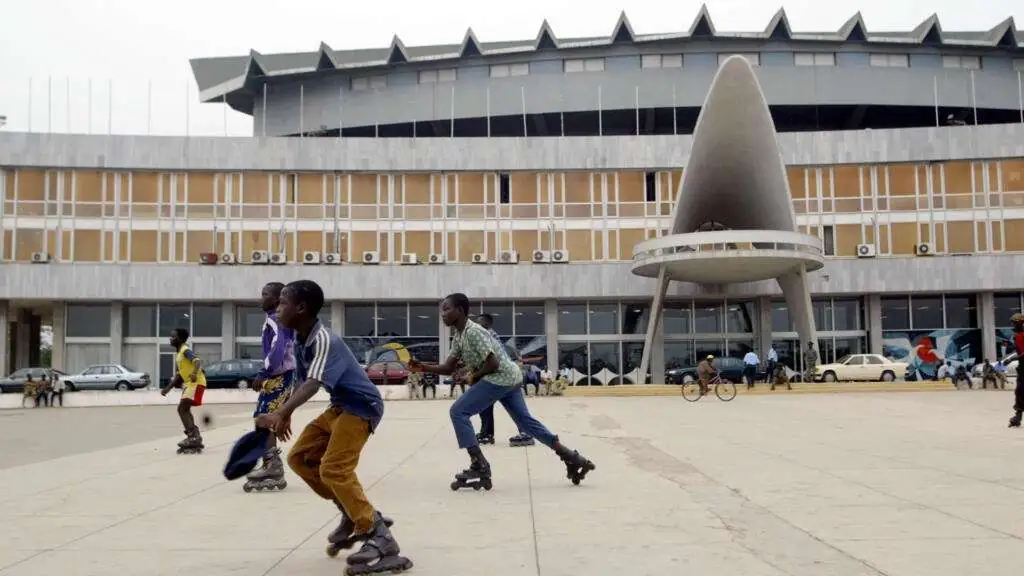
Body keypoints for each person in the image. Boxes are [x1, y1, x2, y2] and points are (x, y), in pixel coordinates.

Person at [254, 280, 411, 573]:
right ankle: (351, 514)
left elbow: (314, 384)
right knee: (299, 458)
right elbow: (302, 381)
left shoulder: (324, 339)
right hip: (340, 406)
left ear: (300, 308)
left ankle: (380, 535)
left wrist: (280, 412)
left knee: (334, 469)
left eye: (282, 302)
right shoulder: (299, 340)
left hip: (362, 406)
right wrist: (285, 414)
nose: (277, 308)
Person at [409, 293, 595, 490]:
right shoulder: (459, 335)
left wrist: (472, 376)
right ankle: (573, 458)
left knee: (458, 411)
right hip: (511, 378)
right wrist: (423, 367)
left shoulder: (474, 332)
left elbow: (493, 363)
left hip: (500, 378)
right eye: (442, 310)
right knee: (526, 423)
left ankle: (479, 464)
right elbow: (448, 367)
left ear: (461, 310)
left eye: (447, 309)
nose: (442, 314)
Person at [244, 282, 296, 493]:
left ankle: (272, 466)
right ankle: (269, 463)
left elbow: (278, 349)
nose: (261, 298)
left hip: (280, 375)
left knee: (263, 420)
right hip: (281, 374)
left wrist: (264, 372)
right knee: (263, 418)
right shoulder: (275, 319)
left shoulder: (276, 320)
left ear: (276, 299)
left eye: (265, 294)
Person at [475, 313, 533, 447]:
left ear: (488, 324)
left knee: (516, 407)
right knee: (485, 406)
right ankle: (487, 434)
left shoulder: (488, 335)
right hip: (499, 378)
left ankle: (526, 434)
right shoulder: (486, 335)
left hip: (505, 378)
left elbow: (490, 359)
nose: (477, 326)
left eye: (480, 323)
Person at [160, 328, 207, 454]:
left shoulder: (185, 350)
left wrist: (194, 373)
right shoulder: (180, 354)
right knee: (184, 409)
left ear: (180, 339)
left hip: (196, 383)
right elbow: (179, 376)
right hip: (189, 384)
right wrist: (168, 388)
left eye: (173, 336)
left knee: (182, 408)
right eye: (170, 336)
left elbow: (197, 361)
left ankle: (193, 436)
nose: (170, 339)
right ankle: (194, 436)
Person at [1008, 313, 1024, 428]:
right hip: (1022, 367)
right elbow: (1019, 351)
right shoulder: (1016, 335)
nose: (1013, 325)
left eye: (1014, 323)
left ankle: (1018, 417)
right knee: (1019, 391)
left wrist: (1013, 358)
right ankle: (1018, 417)